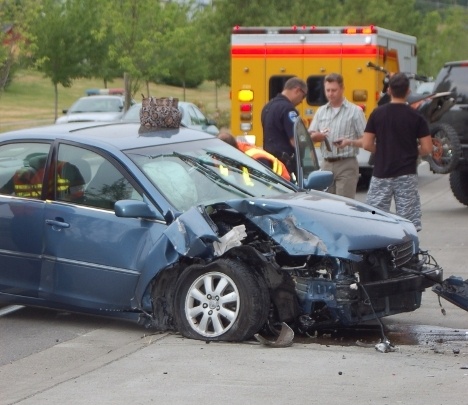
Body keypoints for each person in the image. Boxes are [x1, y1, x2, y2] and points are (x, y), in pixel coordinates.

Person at [357, 72, 432, 231]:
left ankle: (379, 251)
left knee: (375, 217)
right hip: (407, 174)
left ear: (389, 90)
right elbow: (427, 148)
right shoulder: (416, 116)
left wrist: (384, 150)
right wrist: (410, 151)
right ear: (408, 91)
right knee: (408, 221)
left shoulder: (377, 113)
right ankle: (407, 252)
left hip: (381, 172)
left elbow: (366, 144)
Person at [308, 73, 366, 198]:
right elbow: (310, 135)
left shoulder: (355, 111)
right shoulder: (321, 111)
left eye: (334, 90)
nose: (330, 94)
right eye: (327, 90)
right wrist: (315, 137)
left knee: (344, 204)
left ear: (342, 88)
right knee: (326, 204)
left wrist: (349, 142)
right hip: (326, 164)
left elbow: (366, 140)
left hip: (346, 163)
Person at [261, 77, 308, 178]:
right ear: (297, 90)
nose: (301, 101)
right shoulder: (288, 109)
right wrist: (312, 138)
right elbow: (295, 140)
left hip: (269, 162)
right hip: (285, 165)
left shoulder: (268, 106)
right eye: (303, 96)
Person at [217, 132, 291, 181]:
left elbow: (264, 184)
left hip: (282, 186)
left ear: (229, 151)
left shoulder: (255, 159)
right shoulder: (237, 152)